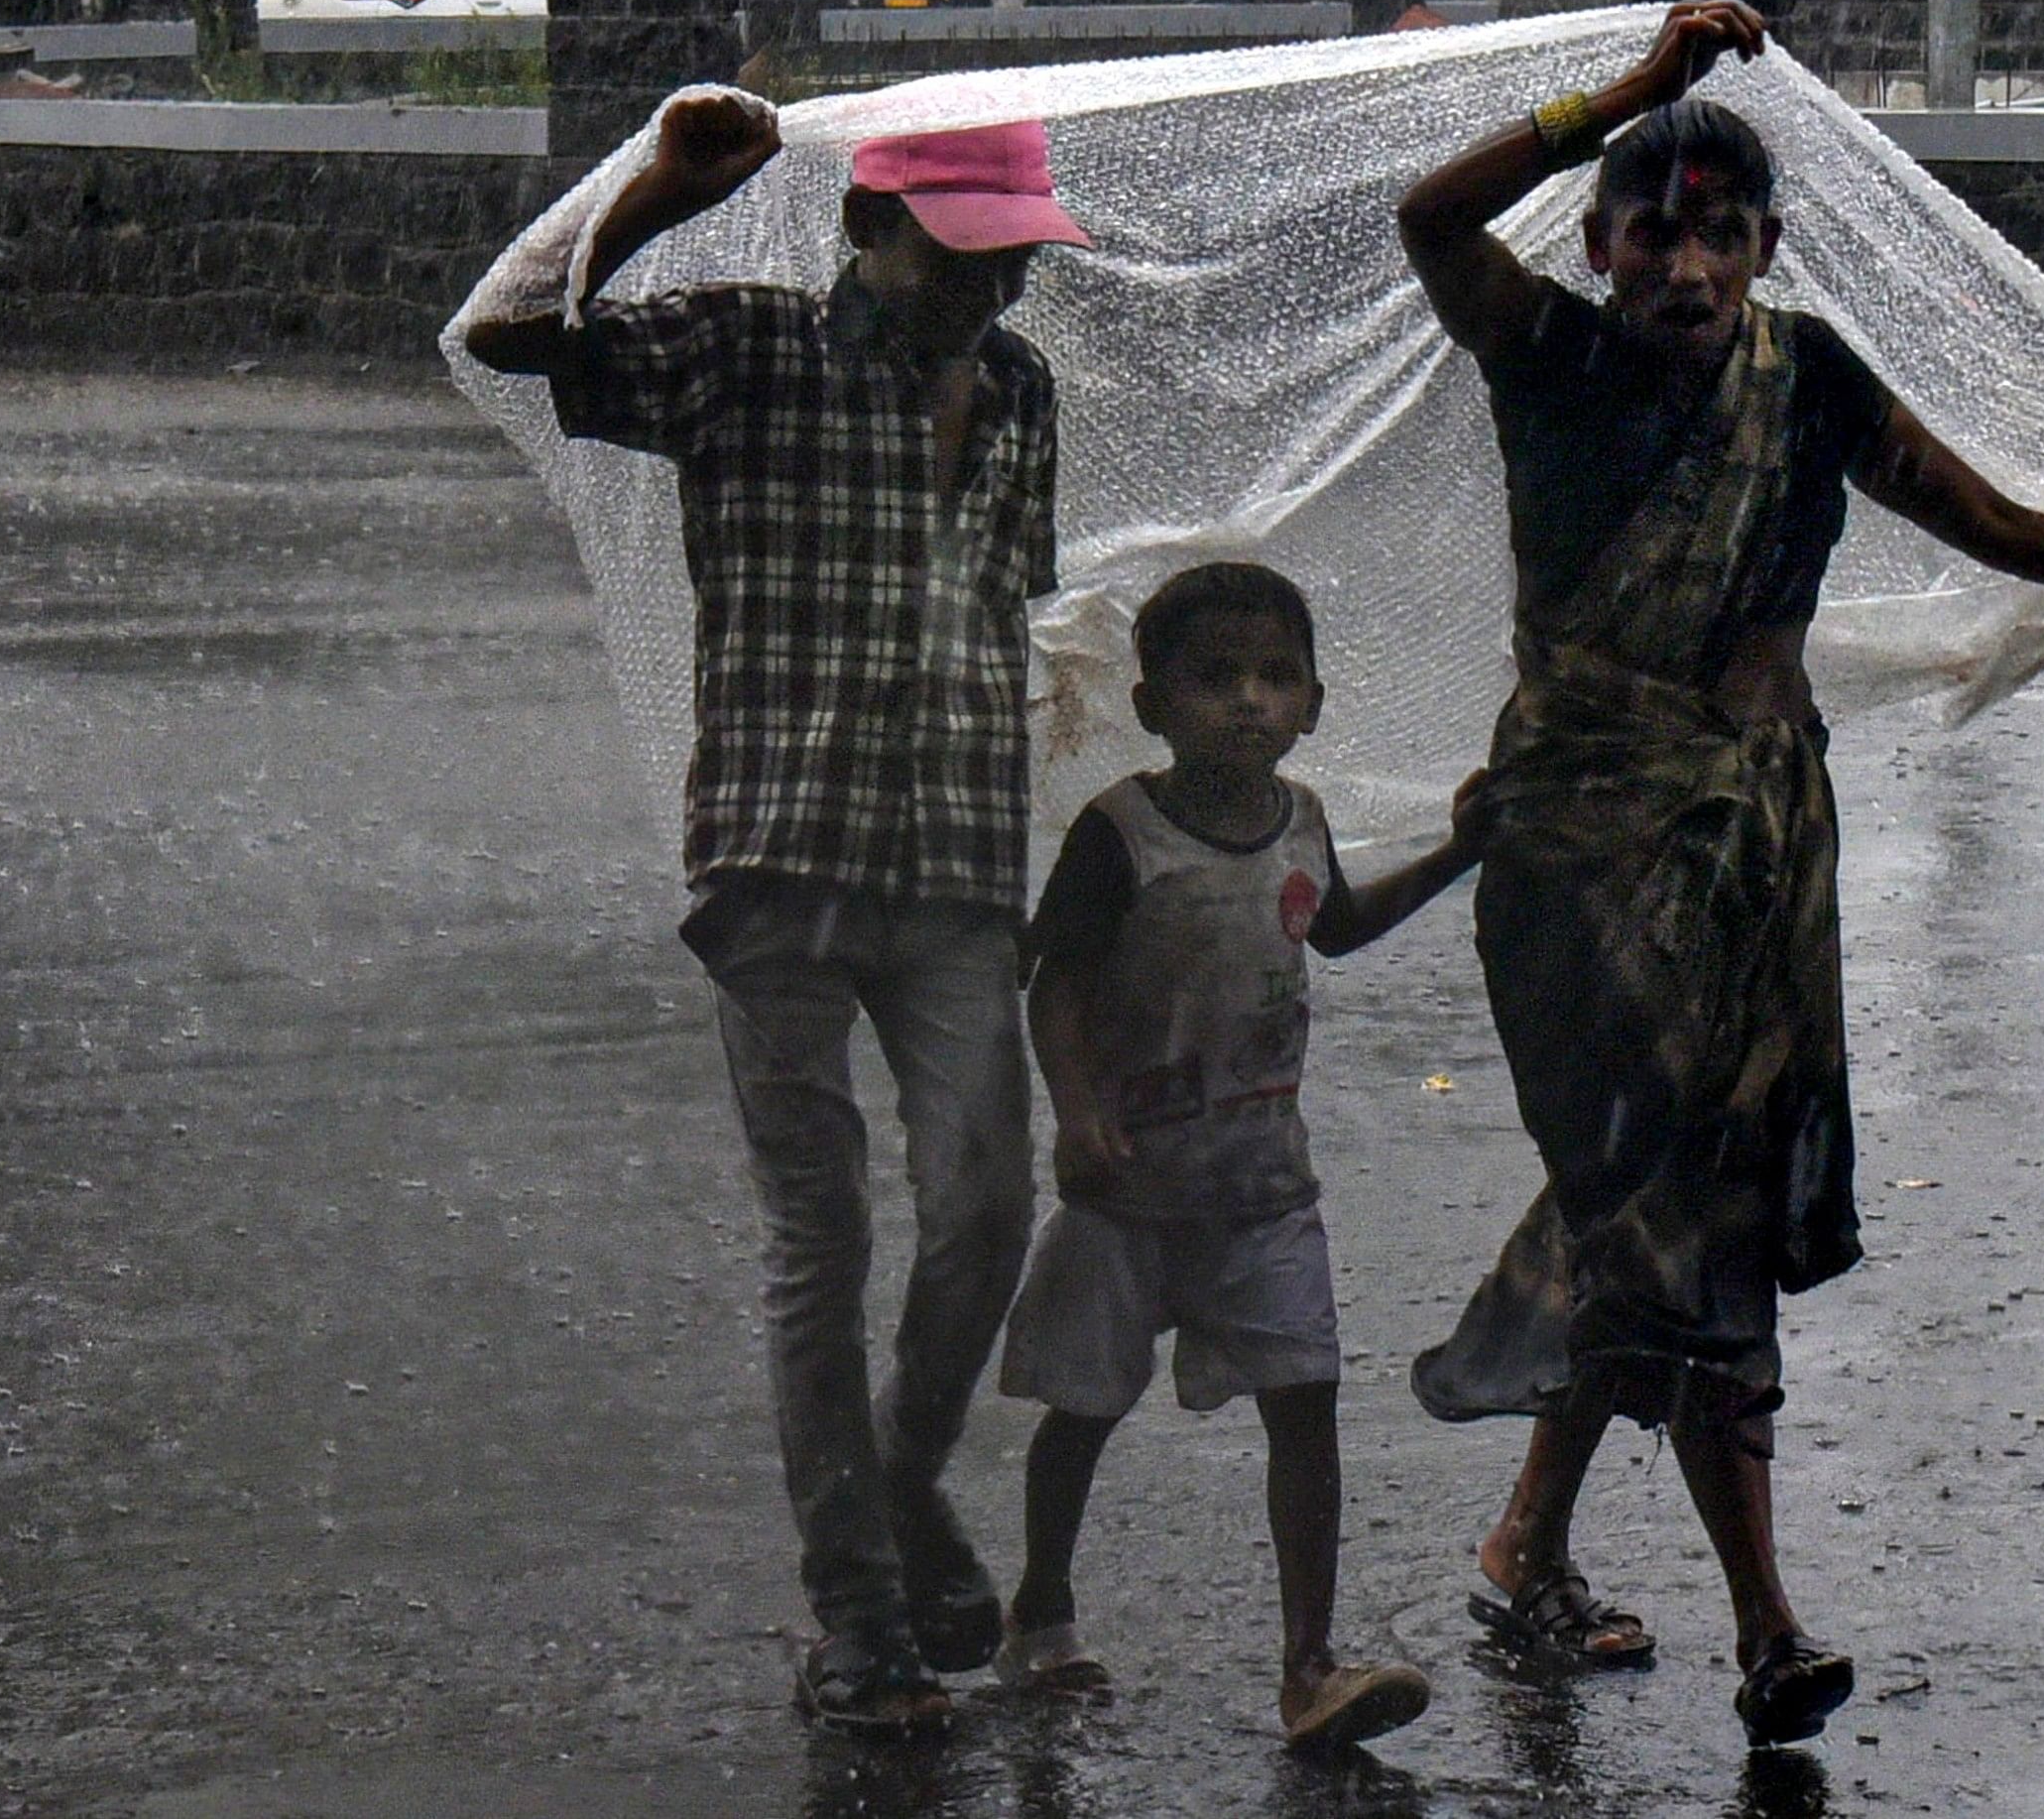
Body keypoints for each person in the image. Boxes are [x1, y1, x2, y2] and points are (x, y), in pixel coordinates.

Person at [1392, 2, 2044, 1747]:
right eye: (1648, 227)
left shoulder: (1802, 382)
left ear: (1763, 252)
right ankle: (1767, 1628)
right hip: (1584, 862)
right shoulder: (1551, 360)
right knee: (1674, 1237)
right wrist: (1625, 93)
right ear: (1594, 247)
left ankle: (1527, 1542)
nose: (1679, 262)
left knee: (1671, 1220)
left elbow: (1997, 524)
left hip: (1754, 854)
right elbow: (1429, 222)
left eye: (1717, 234)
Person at [461, 99, 1090, 1735]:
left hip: (954, 865)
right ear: (868, 232)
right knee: (825, 1240)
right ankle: (860, 1616)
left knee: (982, 1212)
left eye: (1007, 261)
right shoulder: (744, 350)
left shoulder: (1019, 394)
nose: (986, 292)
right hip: (780, 858)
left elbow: (1006, 610)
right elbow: (515, 332)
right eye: (960, 255)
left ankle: (892, 1484)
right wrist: (652, 188)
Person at [994, 562, 1481, 1752]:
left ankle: (1308, 1662)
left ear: (1314, 701)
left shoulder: (1302, 817)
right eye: (1214, 679)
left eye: (1275, 677)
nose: (1248, 702)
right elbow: (1054, 983)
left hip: (1262, 1190)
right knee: (1082, 1407)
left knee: (1304, 1407)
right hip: (1126, 1191)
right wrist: (1075, 1109)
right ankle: (1040, 1602)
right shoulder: (1120, 834)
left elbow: (1343, 927)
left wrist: (1464, 851)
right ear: (1151, 702)